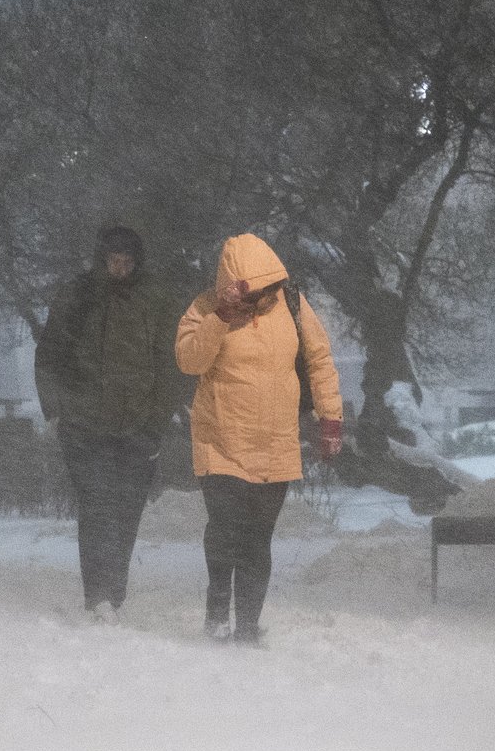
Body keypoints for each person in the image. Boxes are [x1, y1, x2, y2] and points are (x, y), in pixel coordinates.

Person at [175, 233, 344, 645]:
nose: (261, 301)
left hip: (275, 443)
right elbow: (189, 361)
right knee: (224, 531)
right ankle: (217, 616)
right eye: (252, 295)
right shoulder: (205, 307)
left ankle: (248, 628)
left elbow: (319, 358)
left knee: (257, 538)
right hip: (221, 442)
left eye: (266, 291)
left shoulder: (291, 302)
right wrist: (221, 317)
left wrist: (331, 419)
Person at [34, 226, 175, 623]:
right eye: (114, 261)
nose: (120, 269)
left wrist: (157, 418)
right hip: (85, 426)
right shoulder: (77, 295)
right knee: (97, 506)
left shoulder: (155, 299)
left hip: (138, 426)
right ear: (101, 259)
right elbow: (50, 355)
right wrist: (56, 409)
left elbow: (170, 364)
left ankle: (114, 591)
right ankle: (98, 595)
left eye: (127, 262)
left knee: (127, 511)